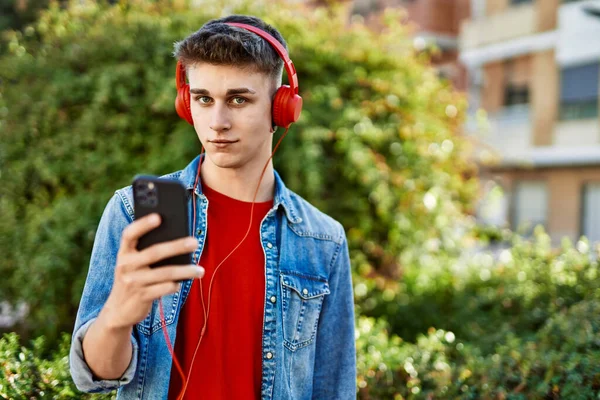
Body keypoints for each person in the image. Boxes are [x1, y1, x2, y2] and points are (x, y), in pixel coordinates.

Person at [69, 14, 356, 400]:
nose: (217, 122)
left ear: (281, 108)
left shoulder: (323, 240)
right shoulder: (135, 211)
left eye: (238, 99)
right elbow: (95, 377)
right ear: (187, 103)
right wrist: (117, 317)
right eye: (203, 98)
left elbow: (334, 389)